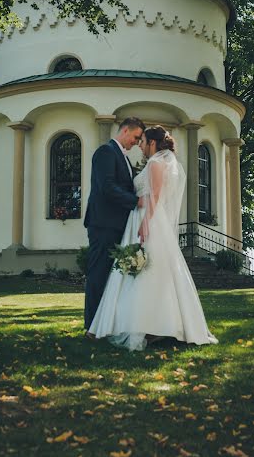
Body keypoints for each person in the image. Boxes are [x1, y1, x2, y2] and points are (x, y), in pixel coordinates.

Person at [88, 125, 218, 351]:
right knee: (145, 272)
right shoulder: (158, 162)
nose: (140, 145)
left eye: (143, 140)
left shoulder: (156, 163)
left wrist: (146, 222)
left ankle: (149, 325)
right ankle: (144, 325)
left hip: (147, 220)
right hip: (141, 219)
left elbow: (155, 195)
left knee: (148, 273)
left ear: (153, 143)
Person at [84, 116, 145, 335]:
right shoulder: (106, 152)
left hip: (117, 225)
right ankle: (91, 326)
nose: (137, 143)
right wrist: (135, 201)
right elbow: (107, 187)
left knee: (112, 276)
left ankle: (105, 324)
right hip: (103, 223)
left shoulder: (124, 158)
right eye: (136, 137)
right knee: (98, 274)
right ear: (126, 131)